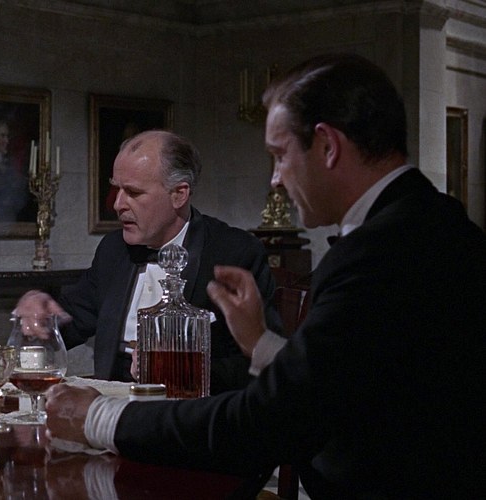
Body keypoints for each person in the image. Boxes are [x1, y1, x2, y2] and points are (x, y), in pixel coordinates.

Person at [44, 54, 486, 497]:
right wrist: (261, 343)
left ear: (327, 146)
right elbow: (332, 383)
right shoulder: (426, 222)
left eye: (279, 155)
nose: (276, 180)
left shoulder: (383, 251)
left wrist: (98, 418)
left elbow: (270, 420)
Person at [15, 129, 281, 393]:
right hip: (112, 397)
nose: (118, 204)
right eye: (116, 189)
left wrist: (182, 370)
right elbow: (72, 318)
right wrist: (41, 316)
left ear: (179, 194)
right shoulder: (113, 250)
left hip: (190, 406)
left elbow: (260, 362)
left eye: (133, 192)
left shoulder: (234, 253)